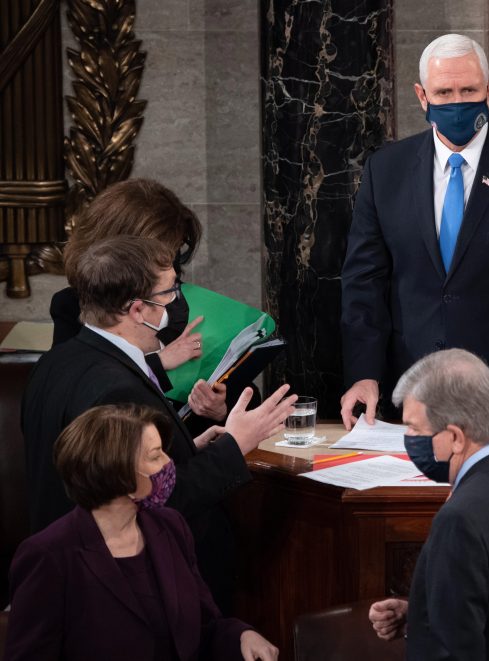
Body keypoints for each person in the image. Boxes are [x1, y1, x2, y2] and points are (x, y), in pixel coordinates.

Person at [21, 235, 297, 609]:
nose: (176, 304)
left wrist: (188, 447)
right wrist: (235, 445)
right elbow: (159, 503)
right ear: (137, 310)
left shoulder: (58, 361)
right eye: (169, 294)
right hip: (126, 593)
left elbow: (112, 471)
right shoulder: (117, 391)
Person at [339, 33, 489, 428]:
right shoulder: (385, 171)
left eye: (468, 90)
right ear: (422, 96)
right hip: (413, 399)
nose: (456, 103)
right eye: (444, 92)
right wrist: (364, 373)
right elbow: (363, 282)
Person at [5, 404, 279, 660]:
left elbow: (205, 625)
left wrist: (241, 635)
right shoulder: (48, 556)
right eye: (155, 455)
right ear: (117, 474)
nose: (168, 463)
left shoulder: (170, 525)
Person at [367, 349, 489, 660]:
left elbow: (451, 653)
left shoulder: (461, 519)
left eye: (415, 429)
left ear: (456, 438)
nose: (408, 439)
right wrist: (420, 612)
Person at [51, 178, 233, 422]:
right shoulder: (69, 307)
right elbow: (83, 407)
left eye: (173, 255)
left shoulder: (175, 302)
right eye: (160, 256)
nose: (174, 271)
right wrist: (158, 363)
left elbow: (239, 391)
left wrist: (220, 409)